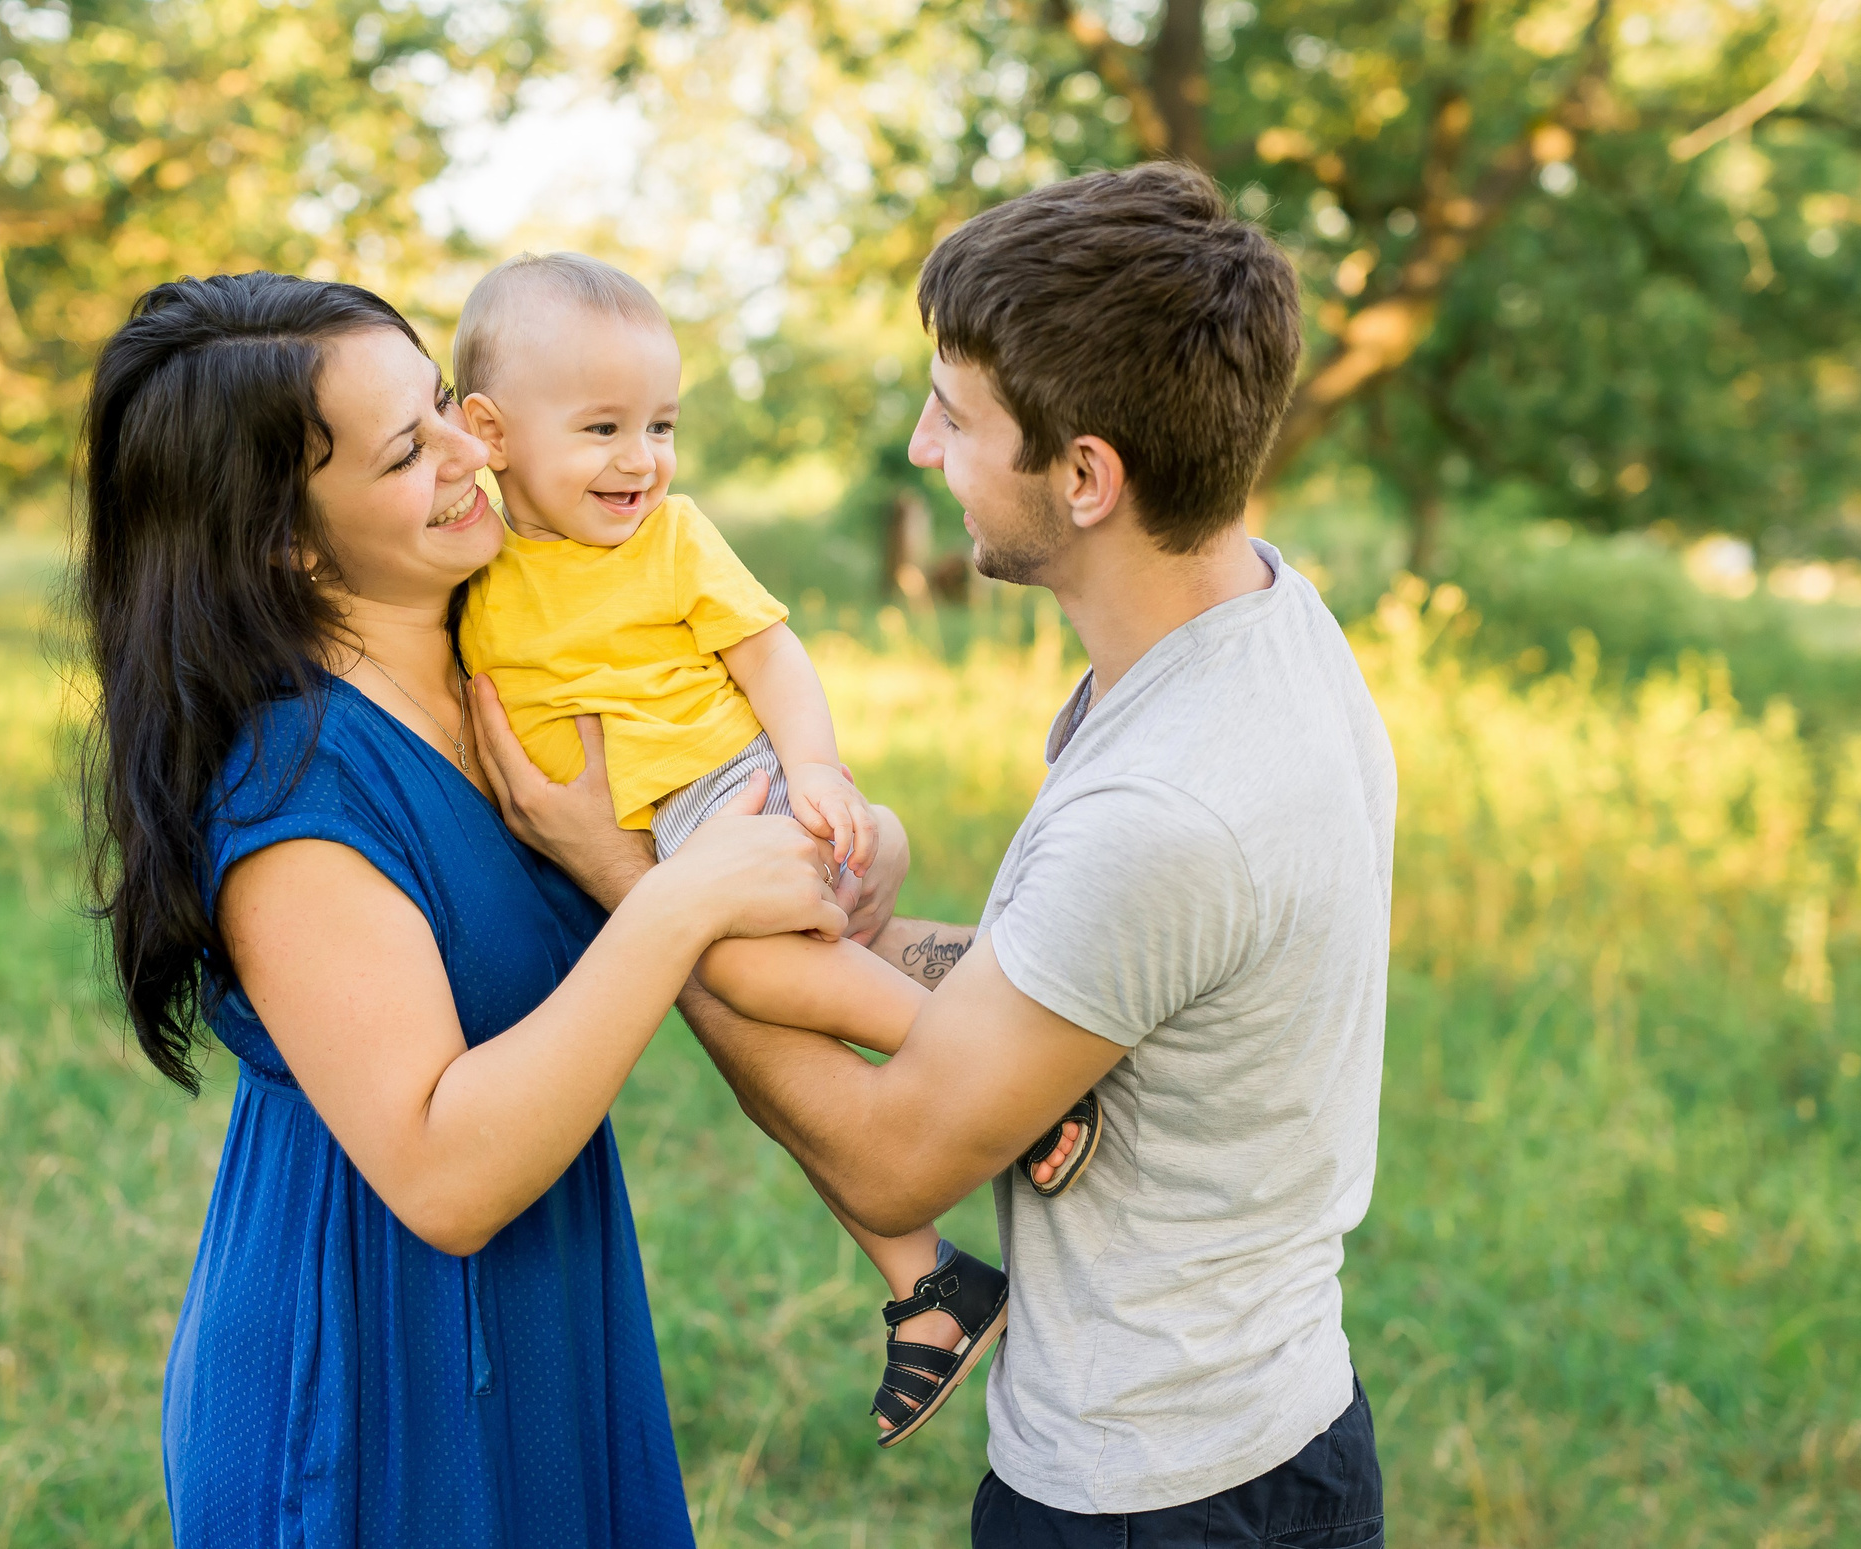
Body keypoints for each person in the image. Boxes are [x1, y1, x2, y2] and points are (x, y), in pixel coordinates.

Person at [471, 164, 1395, 1548]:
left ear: (1086, 476)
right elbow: (1071, 979)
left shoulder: (1169, 805)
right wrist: (823, 921)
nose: (917, 448)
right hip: (1268, 1424)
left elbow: (895, 1164)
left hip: (1155, 1494)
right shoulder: (1260, 627)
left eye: (955, 418)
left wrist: (631, 881)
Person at [75, 272, 865, 1548]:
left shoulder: (513, 664)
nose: (469, 449)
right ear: (287, 535)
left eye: (444, 403)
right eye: (407, 450)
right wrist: (672, 905)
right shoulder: (300, 790)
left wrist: (823, 844)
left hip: (544, 1300)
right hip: (375, 1362)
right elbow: (442, 1173)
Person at [452, 250, 1096, 1446]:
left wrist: (815, 773)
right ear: (487, 430)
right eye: (601, 427)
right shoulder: (475, 569)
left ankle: (1005, 1079)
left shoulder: (670, 540)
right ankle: (929, 1285)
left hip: (734, 798)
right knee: (767, 1038)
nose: (639, 456)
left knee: (737, 976)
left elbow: (769, 658)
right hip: (666, 842)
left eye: (659, 423)